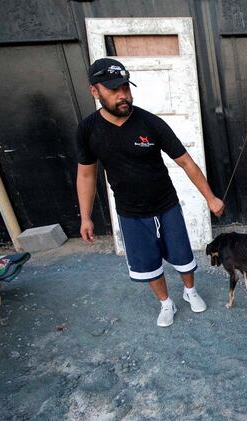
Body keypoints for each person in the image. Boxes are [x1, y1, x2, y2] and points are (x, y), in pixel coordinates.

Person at [75, 58, 224, 327]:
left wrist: (210, 198)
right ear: (94, 91)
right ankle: (166, 303)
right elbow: (86, 173)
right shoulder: (88, 130)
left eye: (125, 87)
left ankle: (190, 291)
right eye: (113, 90)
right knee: (148, 263)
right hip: (130, 212)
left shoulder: (149, 123)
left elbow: (185, 161)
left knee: (182, 255)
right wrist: (85, 216)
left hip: (166, 204)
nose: (123, 95)